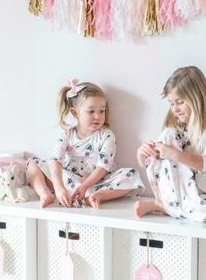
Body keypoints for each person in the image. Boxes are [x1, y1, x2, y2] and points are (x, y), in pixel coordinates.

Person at [135, 66, 206, 222]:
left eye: (180, 102)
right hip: (182, 194)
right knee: (167, 134)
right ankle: (163, 202)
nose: (175, 109)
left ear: (197, 98)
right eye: (171, 103)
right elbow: (154, 165)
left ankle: (163, 206)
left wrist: (172, 153)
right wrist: (142, 154)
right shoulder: (175, 130)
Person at [27, 79, 145, 208]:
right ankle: (45, 194)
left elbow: (103, 167)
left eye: (102, 111)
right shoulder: (67, 135)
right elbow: (55, 161)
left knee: (131, 174)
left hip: (97, 184)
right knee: (32, 164)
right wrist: (59, 187)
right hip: (69, 181)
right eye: (91, 111)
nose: (98, 116)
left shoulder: (106, 136)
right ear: (75, 113)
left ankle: (96, 196)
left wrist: (85, 187)